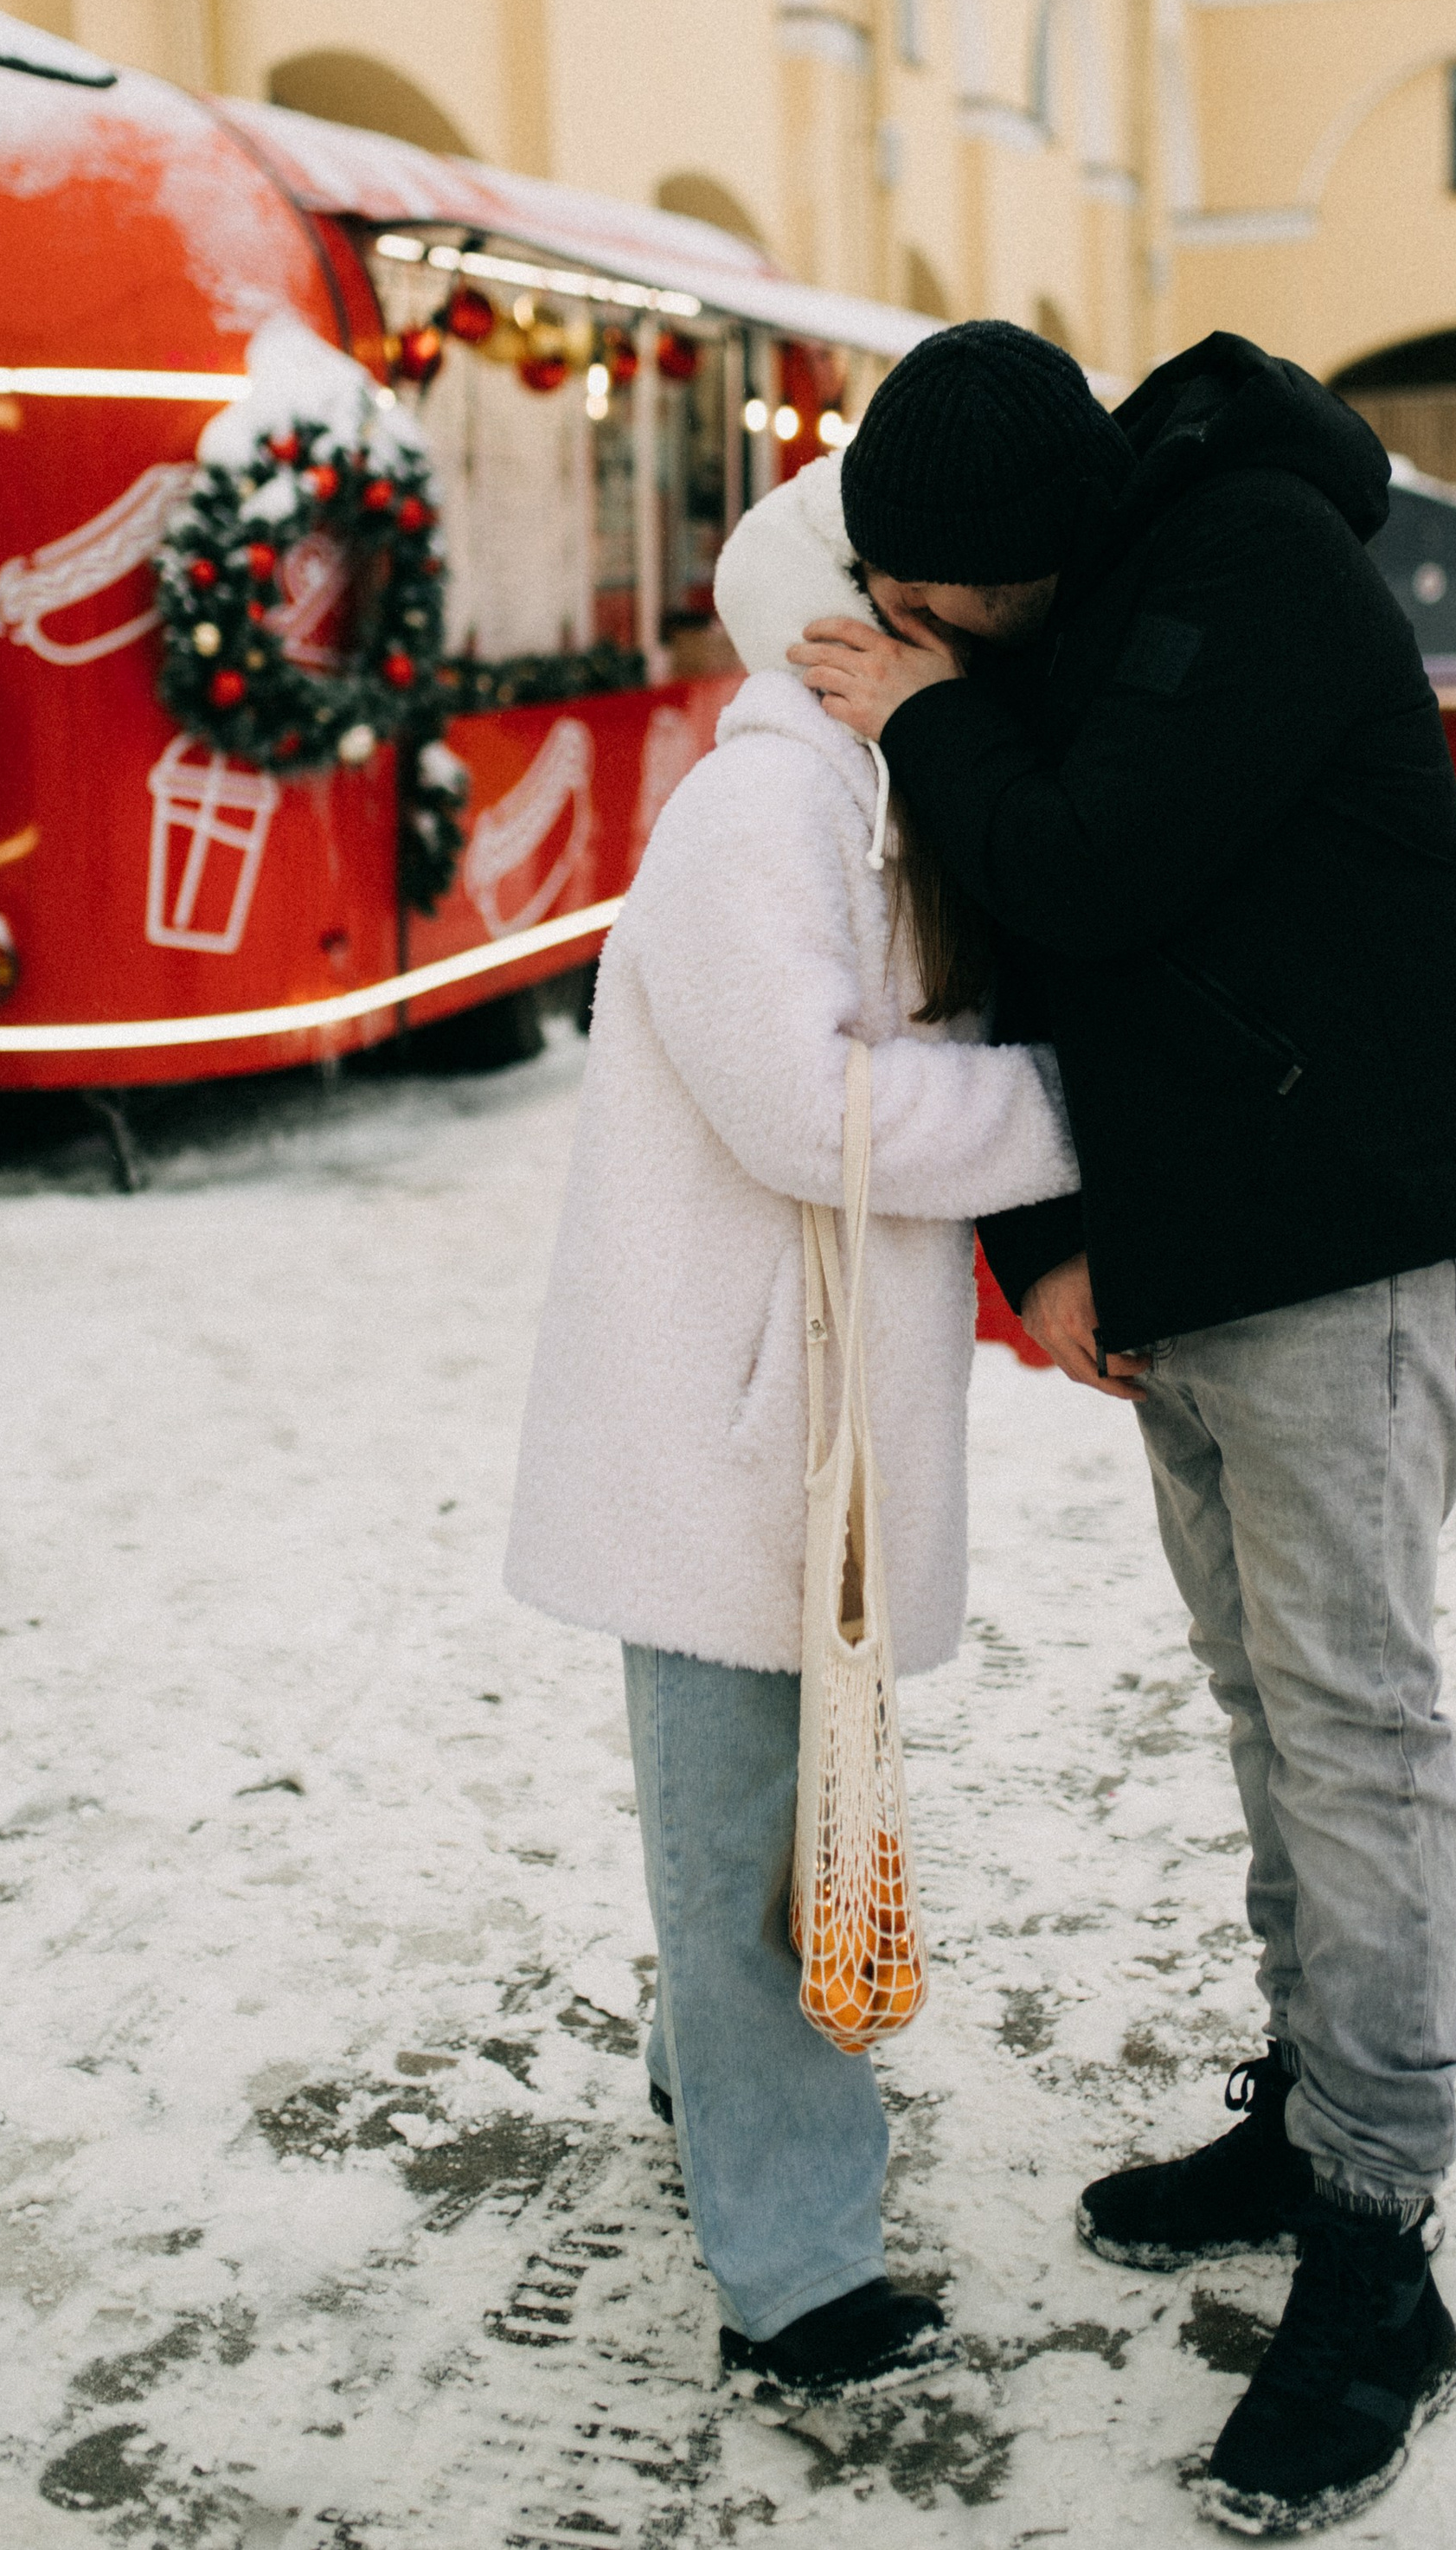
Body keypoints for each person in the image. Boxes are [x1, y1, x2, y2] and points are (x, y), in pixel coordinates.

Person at [792, 321, 1456, 2537]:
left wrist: (925, 717)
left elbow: (1092, 863)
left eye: (932, 602)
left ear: (1017, 561)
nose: (906, 632)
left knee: (1351, 1718)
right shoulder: (1067, 606)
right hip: (1191, 1241)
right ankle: (1310, 2118)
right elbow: (1039, 949)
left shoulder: (1252, 568)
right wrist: (1048, 1244)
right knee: (1262, 1707)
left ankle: (1377, 2242)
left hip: (1343, 1229)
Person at [506, 453, 1074, 2412]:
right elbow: (801, 1109)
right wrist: (1073, 1110)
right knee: (759, 1860)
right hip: (718, 1440)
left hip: (767, 1431)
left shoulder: (861, 799)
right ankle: (799, 2272)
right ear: (841, 614)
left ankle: (714, 2088)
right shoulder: (764, 804)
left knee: (747, 1826)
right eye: (923, 608)